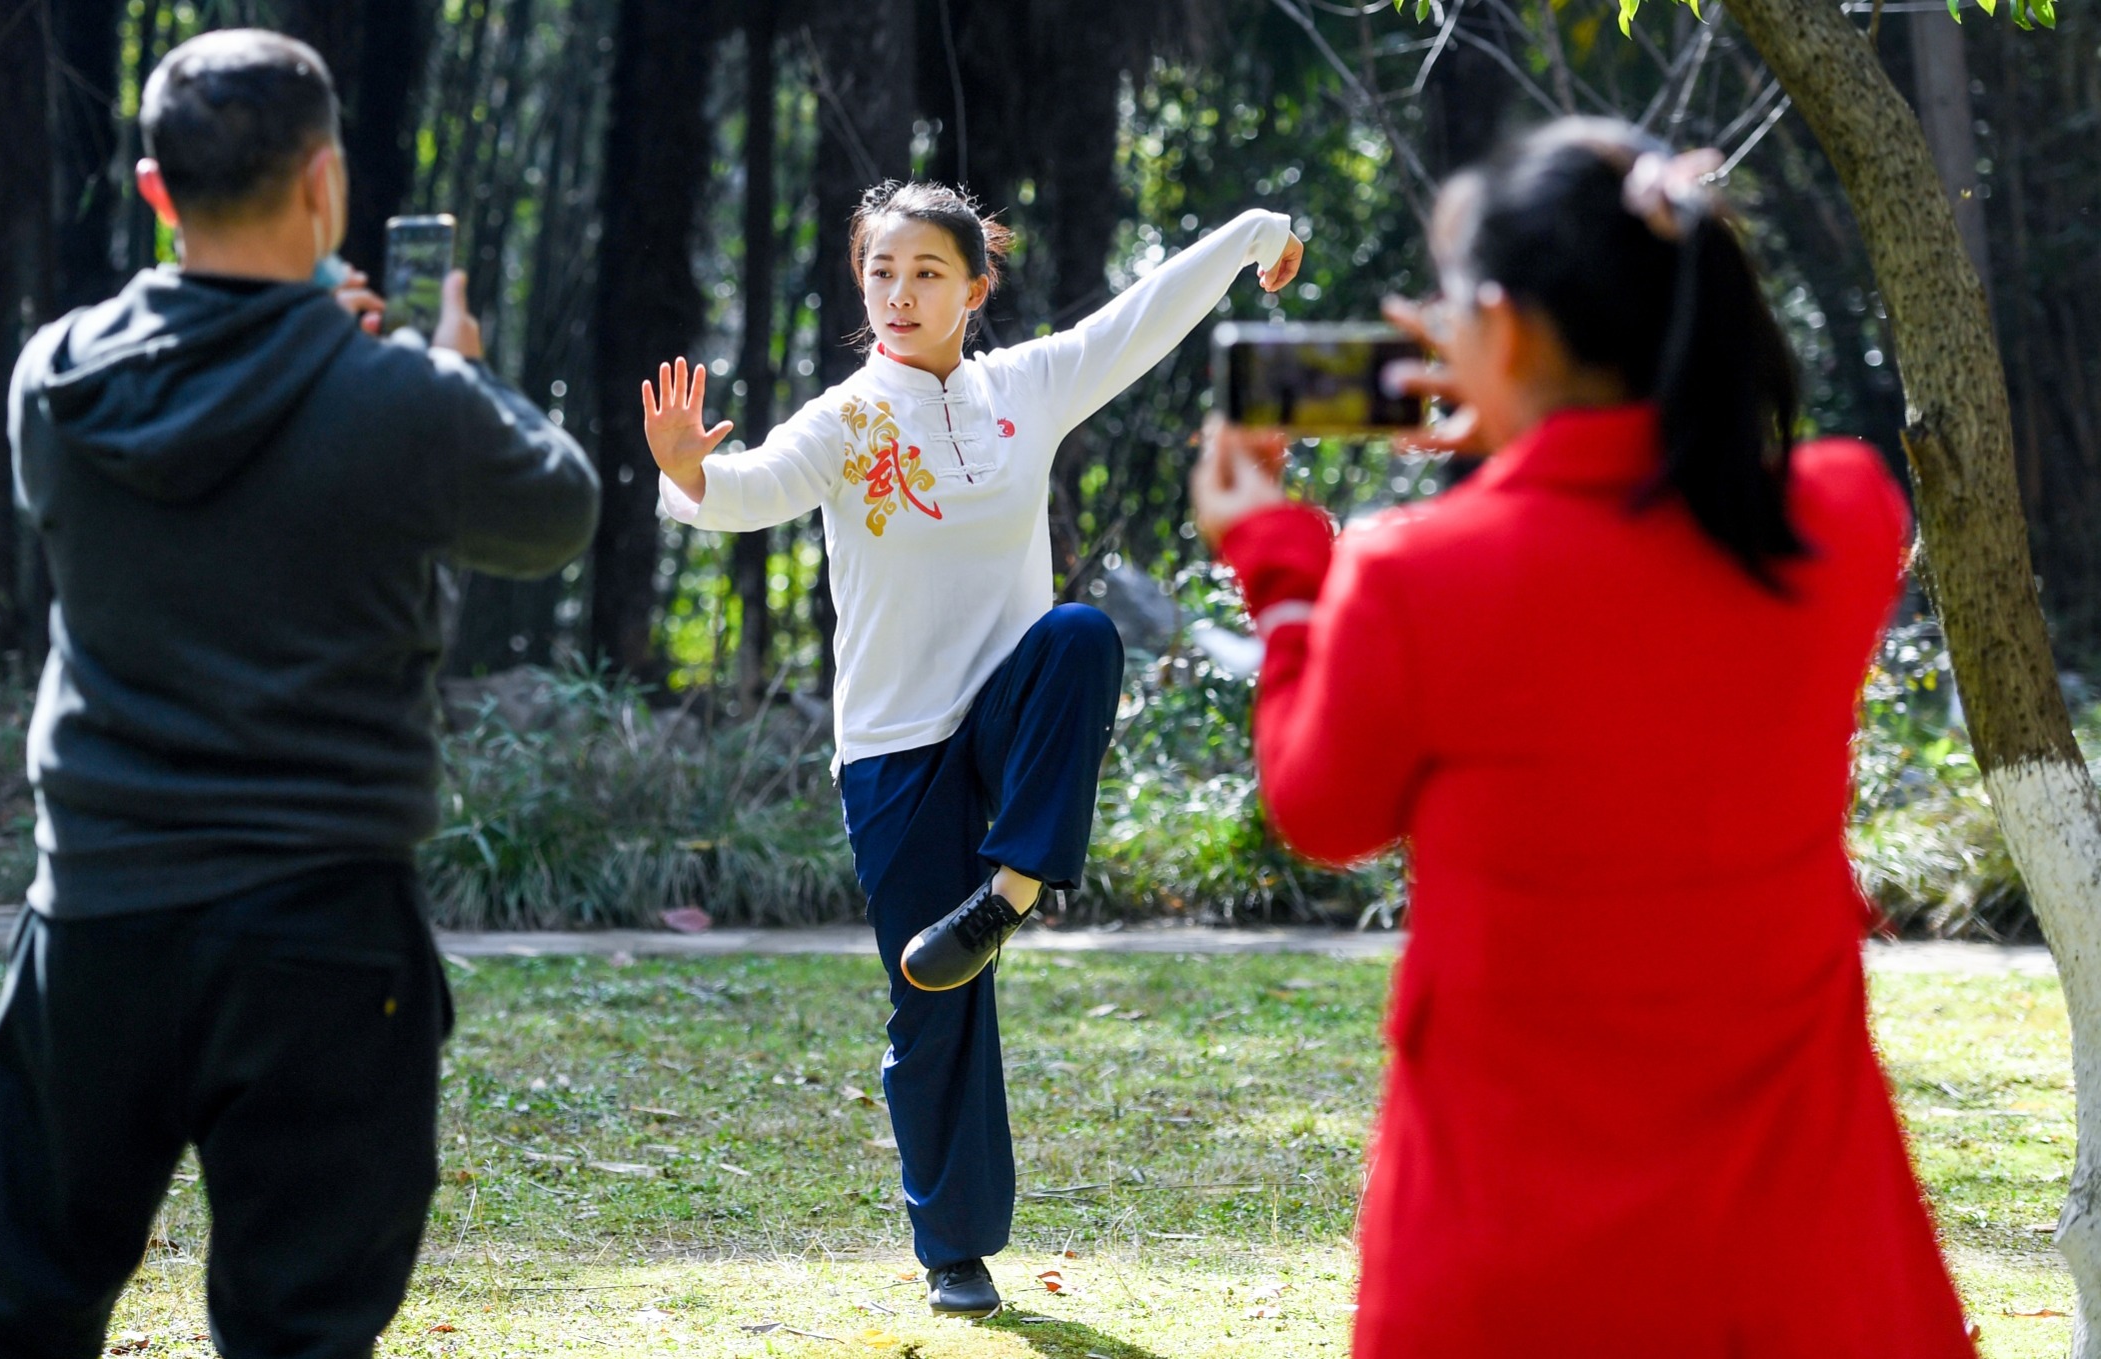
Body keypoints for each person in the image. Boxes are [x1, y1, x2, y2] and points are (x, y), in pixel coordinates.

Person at [1190, 117, 1974, 1357]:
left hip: (1515, 1260)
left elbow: (1323, 808)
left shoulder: (1417, 581)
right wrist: (1537, 419)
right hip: (1802, 1258)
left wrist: (1279, 566)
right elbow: (1680, 504)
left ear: (1501, 329)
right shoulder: (1838, 523)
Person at [0, 30, 598, 1359]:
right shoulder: (403, 399)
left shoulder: (56, 377)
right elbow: (557, 509)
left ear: (154, 190)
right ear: (325, 182)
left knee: (12, 1312)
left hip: (97, 915)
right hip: (322, 931)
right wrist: (453, 368)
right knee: (302, 1334)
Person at [642, 181, 1303, 1315]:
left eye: (926, 273)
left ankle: (1012, 889)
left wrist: (1253, 236)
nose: (898, 295)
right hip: (894, 751)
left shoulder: (1025, 387)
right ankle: (955, 1251)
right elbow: (748, 489)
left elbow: (1139, 318)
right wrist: (685, 468)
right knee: (932, 1000)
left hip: (1008, 718)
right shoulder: (846, 419)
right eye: (880, 274)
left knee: (1080, 636)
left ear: (975, 288)